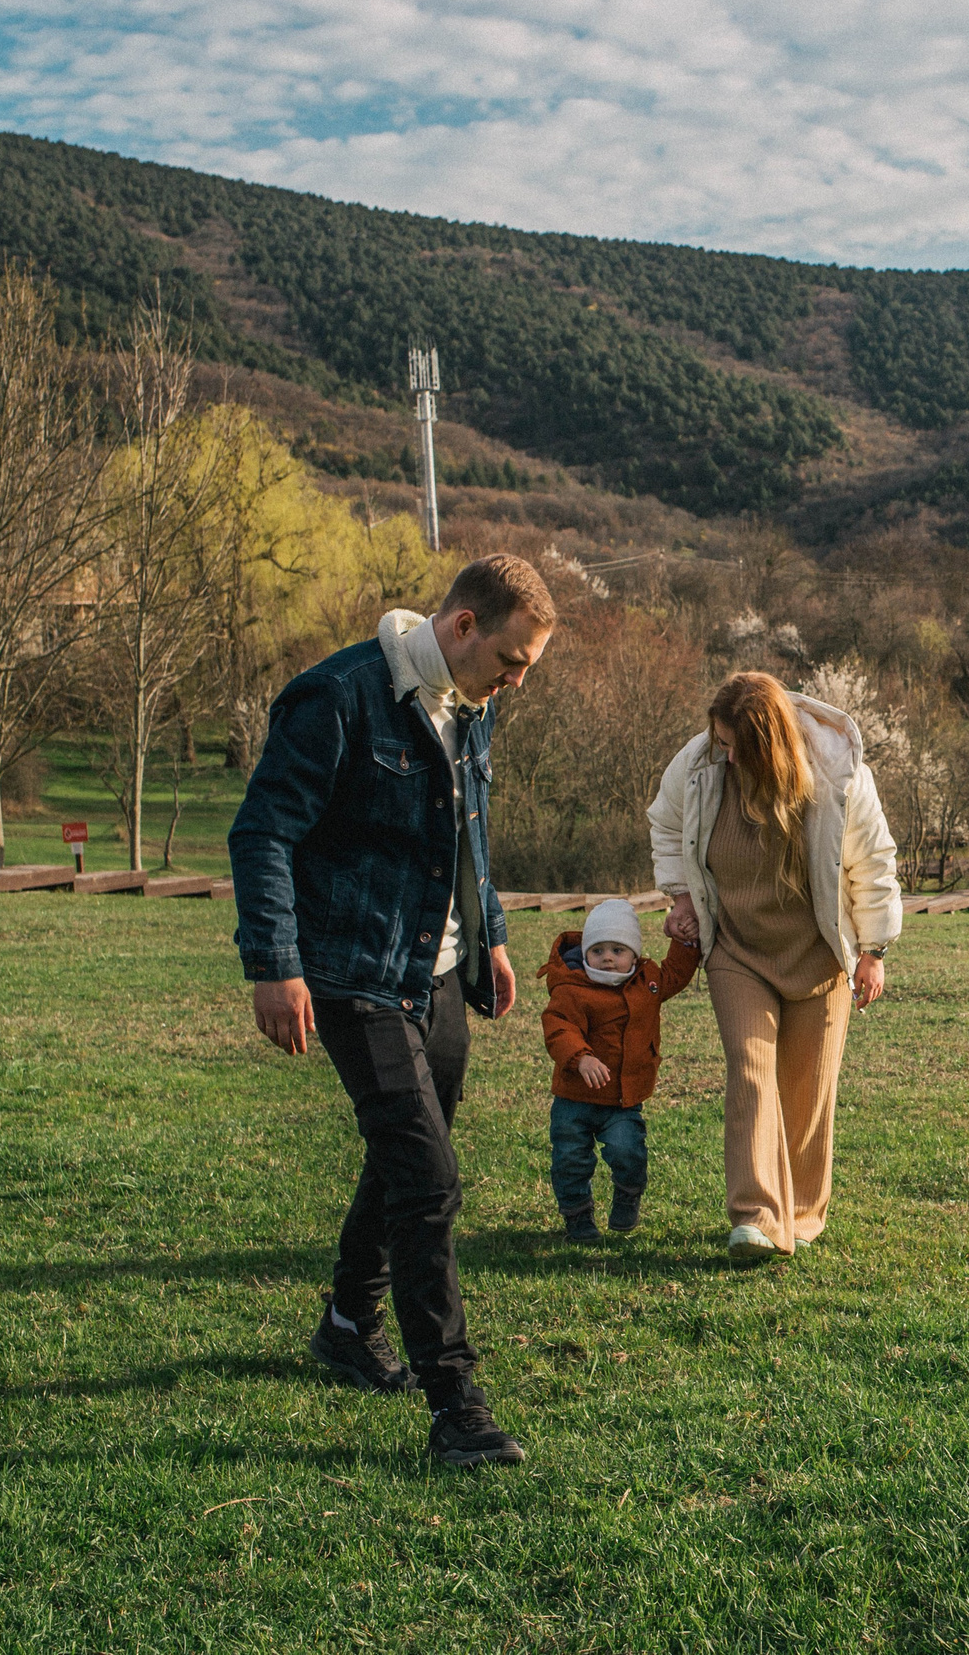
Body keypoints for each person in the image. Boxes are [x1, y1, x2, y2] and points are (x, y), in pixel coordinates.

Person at [229, 553, 554, 1468]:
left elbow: (466, 829)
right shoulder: (335, 697)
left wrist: (486, 934)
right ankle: (456, 1403)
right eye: (514, 659)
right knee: (428, 1176)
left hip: (439, 968)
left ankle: (345, 1321)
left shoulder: (471, 703)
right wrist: (275, 965)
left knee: (409, 1149)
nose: (519, 680)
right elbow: (262, 833)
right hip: (351, 971)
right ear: (461, 628)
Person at [648, 671, 901, 1262]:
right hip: (737, 950)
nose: (726, 757)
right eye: (721, 744)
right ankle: (757, 1219)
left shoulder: (838, 777)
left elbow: (874, 862)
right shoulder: (699, 764)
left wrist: (875, 951)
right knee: (752, 1069)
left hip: (818, 954)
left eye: (738, 748)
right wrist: (680, 896)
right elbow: (665, 824)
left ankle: (804, 1216)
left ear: (769, 747)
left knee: (809, 1087)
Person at [539, 898, 700, 1243]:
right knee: (570, 1160)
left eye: (617, 949)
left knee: (629, 1152)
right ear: (585, 953)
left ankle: (628, 1194)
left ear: (635, 954)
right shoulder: (572, 988)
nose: (607, 958)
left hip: (623, 1100)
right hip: (574, 1100)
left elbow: (677, 973)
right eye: (597, 950)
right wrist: (580, 1057)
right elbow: (558, 1026)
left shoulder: (648, 983)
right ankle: (578, 1218)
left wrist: (685, 940)